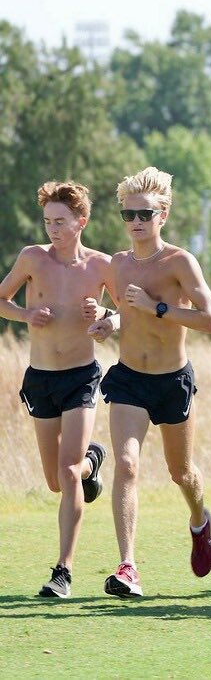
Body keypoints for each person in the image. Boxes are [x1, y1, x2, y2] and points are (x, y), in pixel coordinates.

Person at [98, 167, 211, 598]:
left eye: (145, 215)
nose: (135, 222)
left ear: (162, 215)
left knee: (181, 473)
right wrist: (107, 323)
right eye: (128, 214)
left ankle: (199, 520)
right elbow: (121, 312)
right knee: (127, 465)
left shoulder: (180, 262)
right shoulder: (117, 263)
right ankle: (128, 566)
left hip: (173, 381)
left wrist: (158, 308)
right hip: (129, 378)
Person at [0, 181, 117, 597]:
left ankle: (63, 571)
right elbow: (1, 300)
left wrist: (105, 314)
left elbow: (124, 316)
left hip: (82, 376)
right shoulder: (32, 258)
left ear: (80, 222)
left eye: (60, 222)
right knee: (56, 479)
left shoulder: (101, 266)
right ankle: (93, 462)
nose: (52, 229)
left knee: (66, 473)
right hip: (41, 378)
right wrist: (26, 314)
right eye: (48, 221)